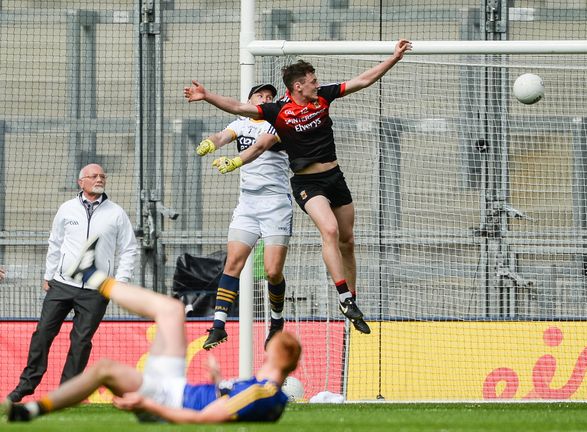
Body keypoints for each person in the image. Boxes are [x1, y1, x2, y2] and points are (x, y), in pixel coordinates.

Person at [184, 39, 413, 335]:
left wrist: (393, 58)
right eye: (312, 81)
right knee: (329, 230)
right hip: (307, 183)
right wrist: (207, 96)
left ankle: (350, 300)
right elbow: (239, 108)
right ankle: (342, 296)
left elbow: (363, 80)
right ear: (298, 86)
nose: (317, 84)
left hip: (335, 178)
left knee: (347, 241)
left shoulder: (323, 97)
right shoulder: (278, 112)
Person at [1, 235, 302, 423]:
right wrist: (218, 382)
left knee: (107, 367)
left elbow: (204, 418)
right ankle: (90, 275)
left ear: (275, 356)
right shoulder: (261, 388)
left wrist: (148, 404)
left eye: (272, 345)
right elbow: (227, 403)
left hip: (167, 399)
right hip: (173, 387)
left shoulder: (263, 392)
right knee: (171, 310)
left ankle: (90, 274)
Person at [6, 164, 138, 403]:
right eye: (94, 176)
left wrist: (120, 282)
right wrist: (49, 275)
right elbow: (55, 242)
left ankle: (67, 394)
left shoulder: (117, 213)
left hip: (97, 289)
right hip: (62, 284)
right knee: (42, 333)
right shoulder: (66, 208)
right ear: (81, 182)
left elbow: (129, 249)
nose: (99, 179)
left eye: (102, 176)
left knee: (81, 341)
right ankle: (26, 385)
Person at [194, 83, 293, 351]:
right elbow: (222, 136)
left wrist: (235, 161)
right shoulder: (240, 124)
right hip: (248, 203)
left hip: (275, 203)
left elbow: (260, 147)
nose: (265, 99)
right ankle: (218, 325)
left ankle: (276, 320)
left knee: (273, 271)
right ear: (249, 101)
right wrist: (210, 144)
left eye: (270, 97)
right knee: (233, 263)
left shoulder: (277, 123)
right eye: (260, 95)